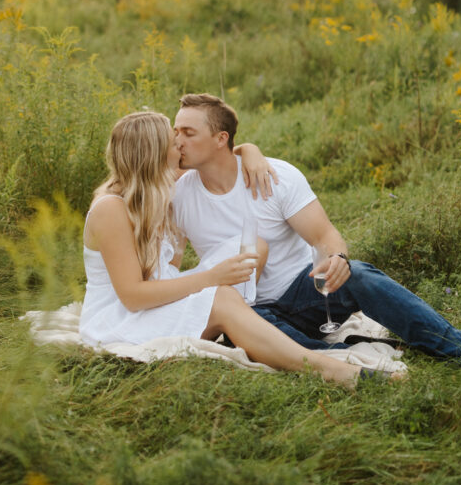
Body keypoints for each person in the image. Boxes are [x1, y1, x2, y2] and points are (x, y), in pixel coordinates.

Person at [78, 110, 388, 388]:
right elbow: (132, 297)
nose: (182, 147)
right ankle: (325, 367)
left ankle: (247, 327)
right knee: (222, 296)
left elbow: (219, 155)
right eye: (174, 143)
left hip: (157, 299)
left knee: (253, 247)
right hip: (122, 319)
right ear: (154, 155)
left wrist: (250, 151)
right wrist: (211, 278)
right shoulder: (111, 210)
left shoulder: (157, 187)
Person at [173, 93, 461, 361]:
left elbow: (324, 236)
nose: (177, 141)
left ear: (220, 139)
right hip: (245, 311)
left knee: (360, 274)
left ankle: (457, 347)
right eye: (176, 132)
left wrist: (337, 259)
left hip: (303, 291)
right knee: (250, 329)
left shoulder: (276, 176)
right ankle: (344, 357)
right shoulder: (178, 194)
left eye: (188, 133)